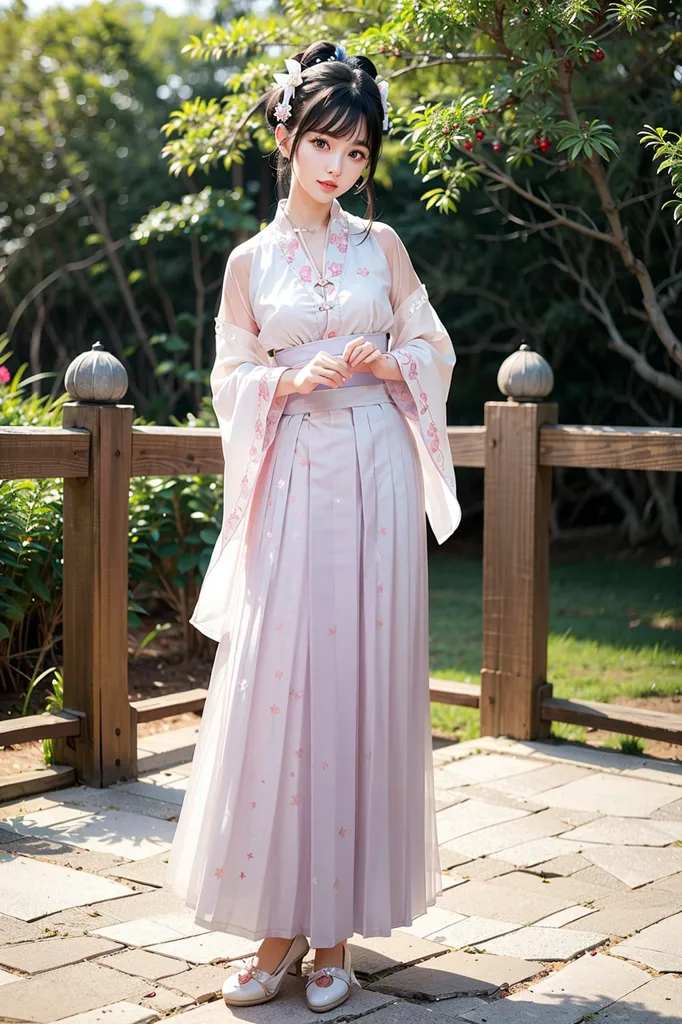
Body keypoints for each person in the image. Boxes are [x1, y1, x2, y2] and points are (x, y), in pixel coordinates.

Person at [163, 39, 462, 1014]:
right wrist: (286, 379)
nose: (338, 168)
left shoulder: (382, 248)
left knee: (353, 692)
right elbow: (230, 378)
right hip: (292, 478)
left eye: (357, 153)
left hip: (373, 477)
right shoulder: (250, 262)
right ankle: (275, 927)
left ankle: (334, 934)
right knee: (279, 692)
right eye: (323, 144)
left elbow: (432, 343)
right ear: (286, 136)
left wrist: (386, 361)